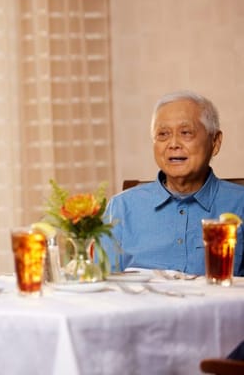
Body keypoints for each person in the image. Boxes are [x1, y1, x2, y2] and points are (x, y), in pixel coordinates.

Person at [101, 90, 244, 275]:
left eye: (186, 133)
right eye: (163, 134)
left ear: (215, 142)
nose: (173, 144)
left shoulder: (239, 204)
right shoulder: (120, 208)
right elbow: (99, 288)